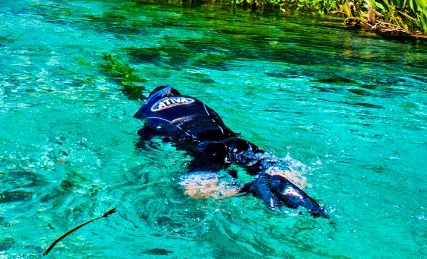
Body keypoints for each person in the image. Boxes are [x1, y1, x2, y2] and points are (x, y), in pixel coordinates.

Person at [134, 85, 327, 217]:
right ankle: (280, 180)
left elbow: (147, 147)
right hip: (237, 142)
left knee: (191, 190)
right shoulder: (194, 101)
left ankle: (250, 189)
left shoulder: (148, 111)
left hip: (206, 148)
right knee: (274, 166)